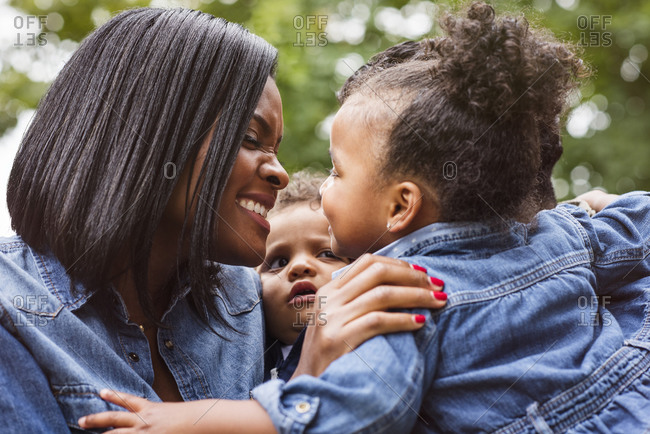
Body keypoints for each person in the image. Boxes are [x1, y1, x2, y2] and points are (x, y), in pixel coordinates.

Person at [80, 3, 650, 433]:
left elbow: (365, 403)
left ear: (401, 206)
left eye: (335, 173)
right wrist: (586, 210)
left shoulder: (400, 289)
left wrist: (194, 420)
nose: (318, 188)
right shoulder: (563, 233)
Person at [0, 7, 447, 433]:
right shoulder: (13, 309)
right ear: (152, 132)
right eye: (251, 138)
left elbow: (327, 320)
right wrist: (302, 388)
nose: (280, 171)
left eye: (275, 147)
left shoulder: (248, 301)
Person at [259, 171, 351, 381]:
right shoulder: (248, 372)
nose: (299, 266)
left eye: (327, 254)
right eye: (279, 262)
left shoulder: (373, 346)